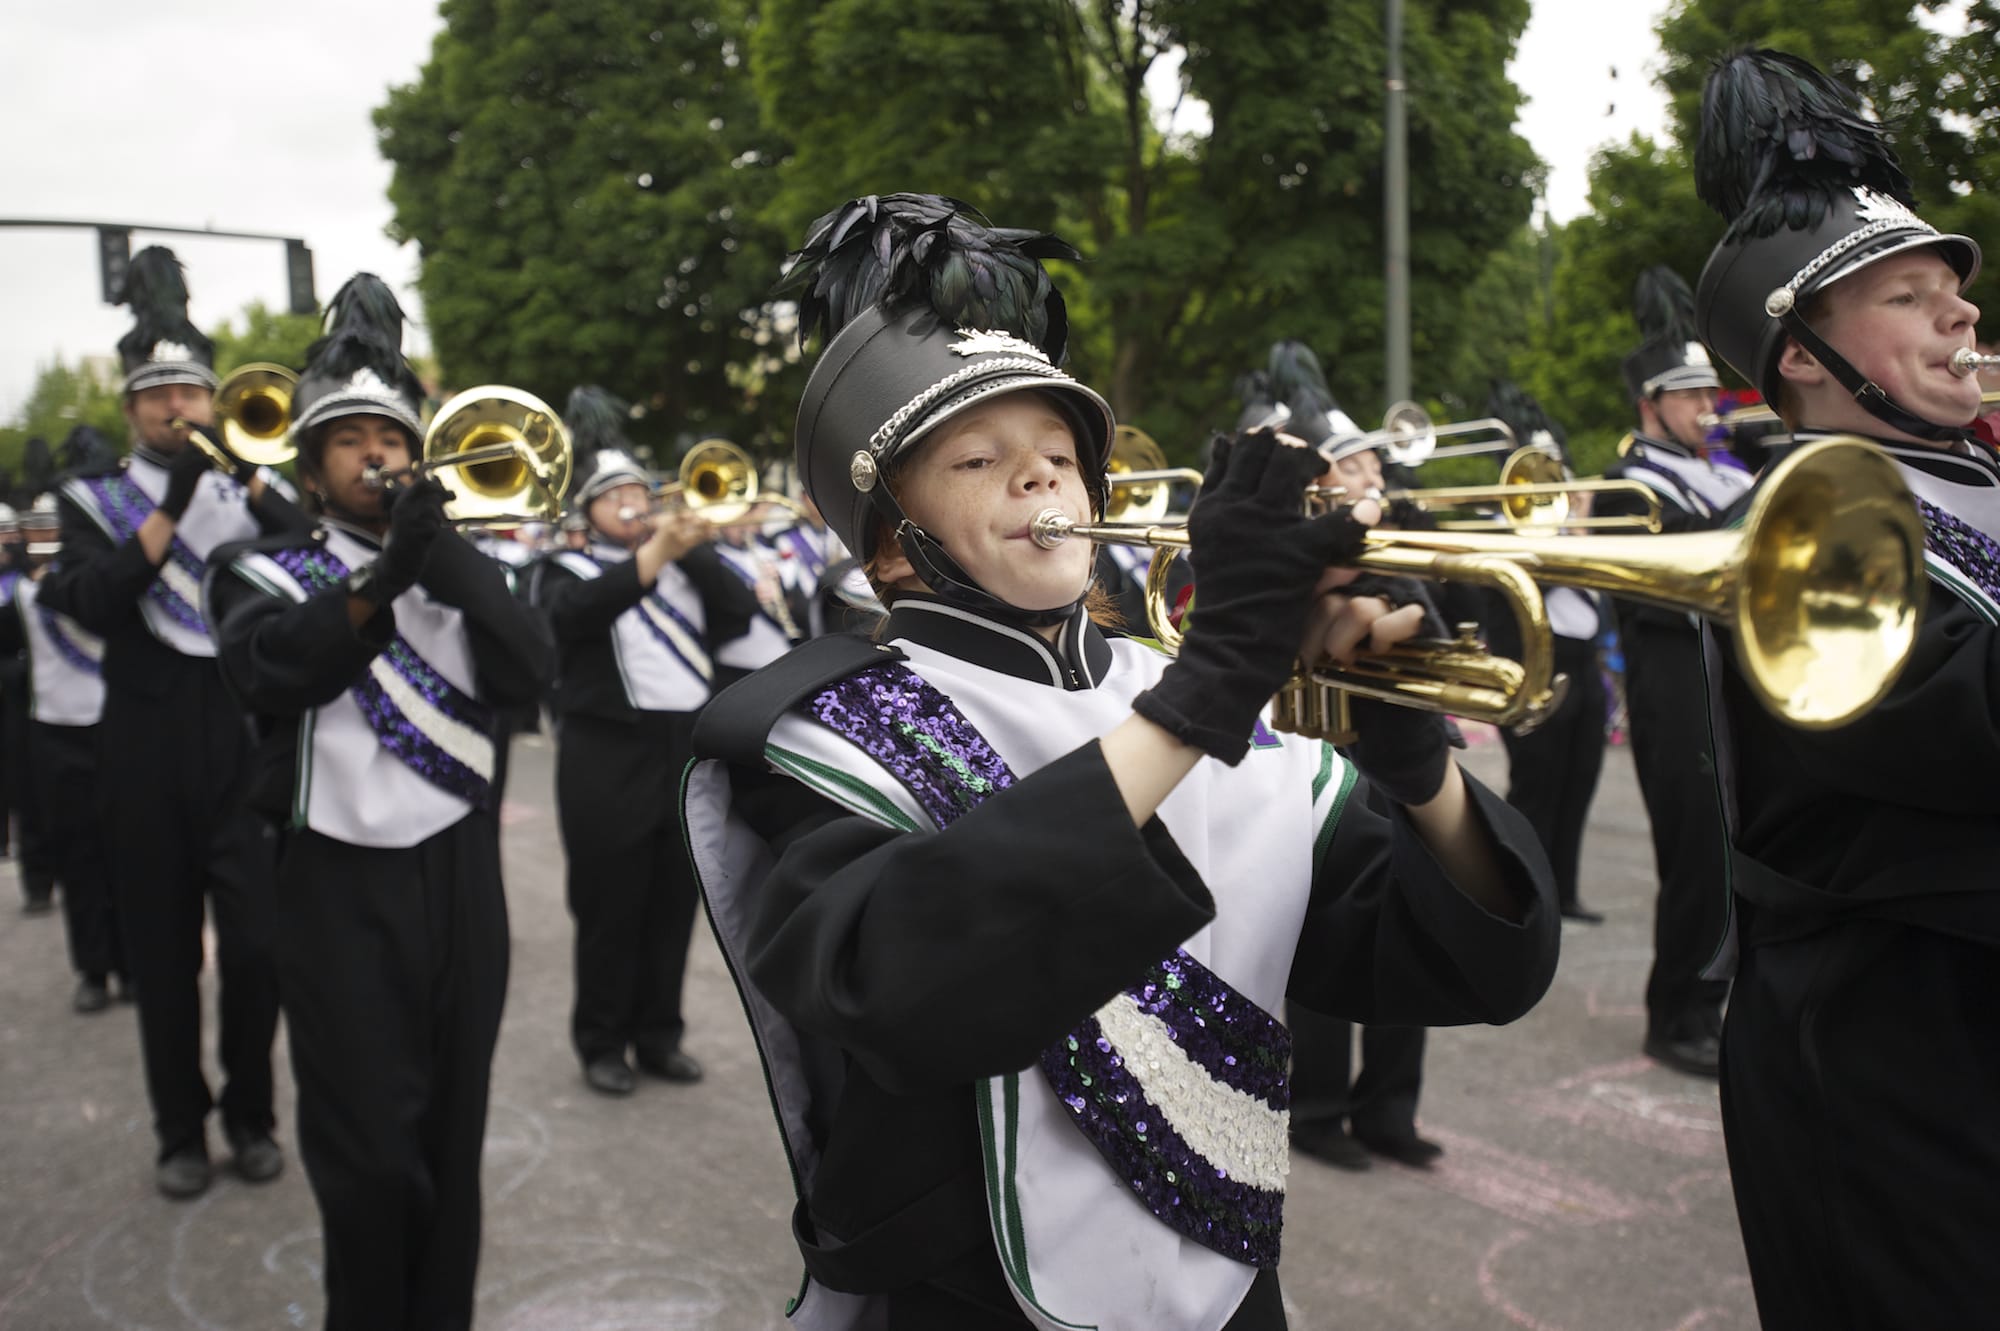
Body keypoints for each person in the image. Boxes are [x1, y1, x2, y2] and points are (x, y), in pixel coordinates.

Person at [684, 192, 1559, 1330]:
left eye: (1059, 451)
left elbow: (1473, 968)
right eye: (978, 457)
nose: (1041, 477)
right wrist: (1204, 694)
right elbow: (897, 982)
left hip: (1235, 1293)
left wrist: (1415, 764)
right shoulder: (818, 733)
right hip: (972, 1299)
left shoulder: (1179, 690)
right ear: (892, 544)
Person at [1690, 49, 1998, 1328]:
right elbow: (1966, 735)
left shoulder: (1973, 479)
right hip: (1889, 1056)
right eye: (1907, 295)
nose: (1960, 315)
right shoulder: (1804, 524)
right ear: (1799, 356)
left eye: (1957, 293)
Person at [207, 273, 554, 1330]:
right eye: (350, 441)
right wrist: (382, 577)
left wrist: (438, 556)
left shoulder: (462, 563)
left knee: (451, 1140)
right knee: (367, 1159)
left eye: (389, 437)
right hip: (333, 885)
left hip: (459, 880)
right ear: (311, 468)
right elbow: (273, 673)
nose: (377, 455)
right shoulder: (258, 568)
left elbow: (532, 670)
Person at [38, 246, 297, 1198]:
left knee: (258, 946)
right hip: (141, 740)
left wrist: (250, 477)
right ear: (132, 408)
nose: (178, 408)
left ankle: (253, 1115)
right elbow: (94, 600)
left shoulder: (244, 487)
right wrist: (173, 507)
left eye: (193, 391)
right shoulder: (89, 499)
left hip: (237, 736)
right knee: (161, 951)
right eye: (160, 396)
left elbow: (312, 552)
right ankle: (179, 1130)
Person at [533, 386, 757, 1096]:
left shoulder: (682, 563)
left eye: (639, 490)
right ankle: (601, 1041)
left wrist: (687, 545)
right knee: (608, 906)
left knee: (670, 903)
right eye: (616, 495)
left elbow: (740, 608)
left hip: (681, 750)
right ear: (587, 510)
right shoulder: (563, 568)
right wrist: (657, 548)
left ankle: (660, 1034)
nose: (633, 502)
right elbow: (576, 614)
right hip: (606, 754)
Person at [1599, 264, 1751, 1077]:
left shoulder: (1728, 473)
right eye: (1690, 398)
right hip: (1671, 689)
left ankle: (1713, 1001)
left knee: (1734, 851)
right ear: (1650, 403)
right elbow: (1650, 592)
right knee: (1693, 856)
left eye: (1708, 396)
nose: (1707, 409)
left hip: (1730, 682)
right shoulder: (1630, 488)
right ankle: (1675, 1012)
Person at [1481, 382, 1609, 924]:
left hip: (1583, 661)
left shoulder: (1575, 526)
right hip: (1533, 665)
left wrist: (1578, 524)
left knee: (1579, 780)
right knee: (1537, 783)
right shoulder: (1495, 527)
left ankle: (1565, 889)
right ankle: (1522, 892)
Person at [0, 485, 123, 1010]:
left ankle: (136, 965)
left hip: (119, 729)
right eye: (38, 531)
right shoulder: (19, 595)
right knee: (80, 856)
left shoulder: (104, 583)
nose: (47, 539)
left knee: (133, 856)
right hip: (55, 731)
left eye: (56, 529)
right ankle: (94, 970)